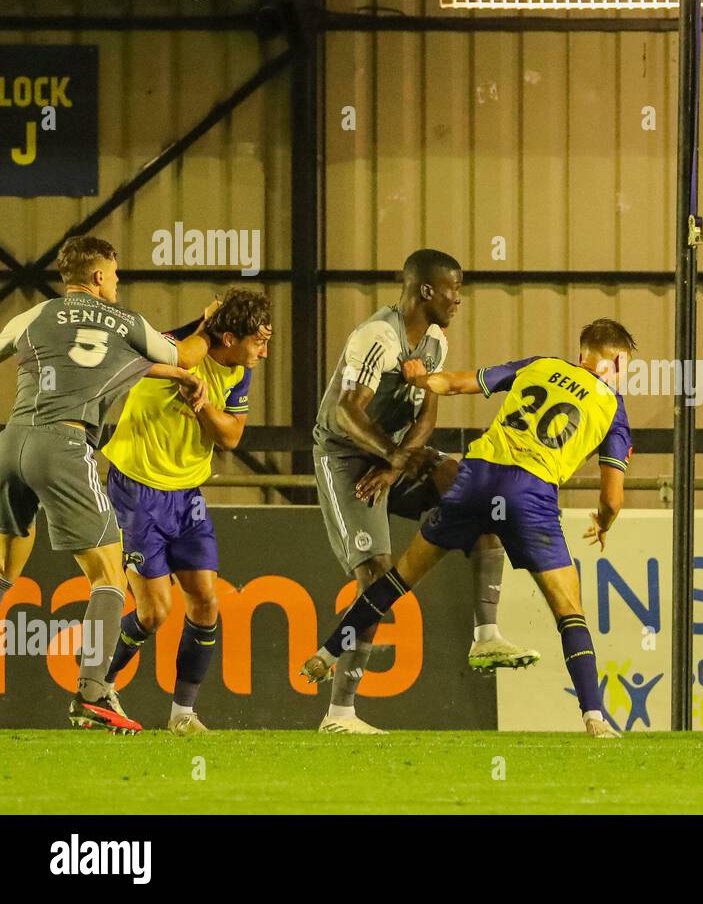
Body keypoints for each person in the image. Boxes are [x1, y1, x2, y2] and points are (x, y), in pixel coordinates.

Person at [301, 318, 637, 739]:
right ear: (618, 363)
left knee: (399, 577)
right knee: (569, 610)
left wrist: (421, 378)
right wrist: (604, 523)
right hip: (528, 494)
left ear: (581, 353)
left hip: (475, 479)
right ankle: (595, 718)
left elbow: (459, 383)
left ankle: (327, 651)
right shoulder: (613, 407)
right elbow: (612, 499)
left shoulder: (540, 365)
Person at [311, 248, 536, 735]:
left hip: (390, 457)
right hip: (345, 459)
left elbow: (427, 416)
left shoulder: (433, 342)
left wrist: (396, 466)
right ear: (428, 290)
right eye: (454, 289)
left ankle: (487, 635)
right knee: (375, 578)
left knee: (472, 493)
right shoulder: (377, 336)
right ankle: (340, 714)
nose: (459, 300)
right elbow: (345, 414)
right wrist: (391, 458)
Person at [0, 236, 211, 734]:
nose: (117, 283)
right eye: (114, 275)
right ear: (98, 277)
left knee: (5, 570)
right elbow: (185, 355)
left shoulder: (33, 316)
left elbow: (90, 360)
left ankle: (93, 692)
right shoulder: (127, 324)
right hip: (65, 446)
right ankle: (93, 692)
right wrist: (207, 325)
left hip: (10, 444)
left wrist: (161, 370)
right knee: (109, 579)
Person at [100, 289, 273, 736]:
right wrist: (202, 320)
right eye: (258, 341)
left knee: (206, 601)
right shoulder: (173, 349)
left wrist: (203, 407)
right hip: (138, 490)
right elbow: (164, 350)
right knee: (154, 612)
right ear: (229, 336)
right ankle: (96, 688)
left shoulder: (238, 371)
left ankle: (182, 714)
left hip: (187, 495)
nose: (264, 352)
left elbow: (232, 436)